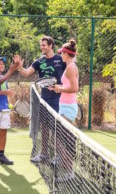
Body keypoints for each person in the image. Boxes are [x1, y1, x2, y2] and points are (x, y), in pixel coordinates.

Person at [14, 36, 66, 163]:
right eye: (41, 45)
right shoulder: (39, 61)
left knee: (57, 128)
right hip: (44, 99)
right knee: (44, 127)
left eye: (44, 45)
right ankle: (44, 155)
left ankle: (59, 156)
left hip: (59, 99)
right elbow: (26, 73)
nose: (42, 47)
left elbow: (70, 75)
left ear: (51, 46)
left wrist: (65, 88)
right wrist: (19, 67)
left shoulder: (61, 60)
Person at [49, 39, 79, 182]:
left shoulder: (71, 68)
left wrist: (59, 89)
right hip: (65, 106)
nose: (60, 55)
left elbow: (74, 88)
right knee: (59, 140)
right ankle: (67, 167)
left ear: (67, 54)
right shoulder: (70, 67)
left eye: (62, 53)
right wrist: (57, 87)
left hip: (68, 108)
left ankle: (69, 171)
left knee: (60, 140)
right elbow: (68, 86)